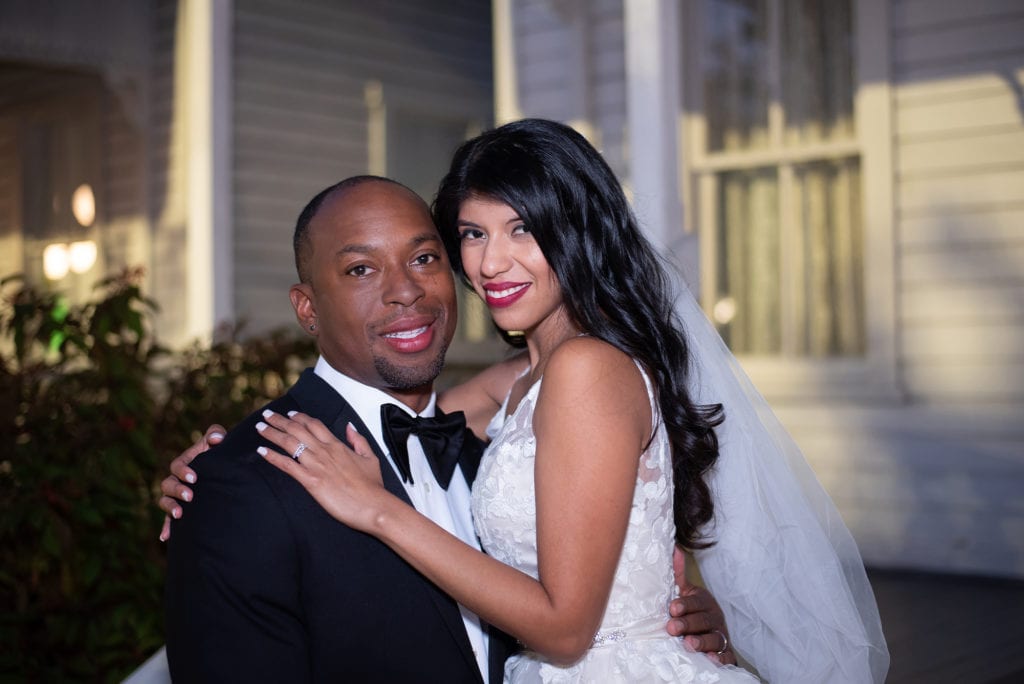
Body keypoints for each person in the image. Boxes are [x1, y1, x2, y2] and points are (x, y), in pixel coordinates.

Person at [163, 174, 733, 683]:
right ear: (307, 308)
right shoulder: (240, 482)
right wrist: (219, 474)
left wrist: (670, 620)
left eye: (425, 259)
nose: (406, 291)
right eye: (361, 269)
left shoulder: (492, 447)